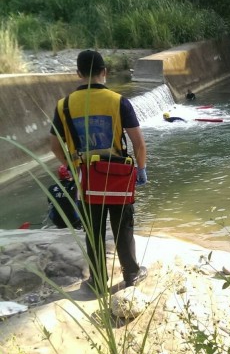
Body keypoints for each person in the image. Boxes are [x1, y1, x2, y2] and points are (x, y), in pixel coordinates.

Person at [49, 50, 148, 293]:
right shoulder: (118, 101)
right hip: (118, 176)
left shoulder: (63, 106)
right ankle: (132, 275)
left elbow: (54, 145)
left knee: (93, 231)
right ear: (105, 72)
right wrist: (141, 169)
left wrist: (72, 167)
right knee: (123, 227)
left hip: (86, 178)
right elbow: (138, 142)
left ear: (79, 73)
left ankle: (97, 282)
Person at [47, 165, 81, 229]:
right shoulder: (76, 186)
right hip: (74, 220)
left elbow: (49, 202)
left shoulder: (51, 188)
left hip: (57, 221)